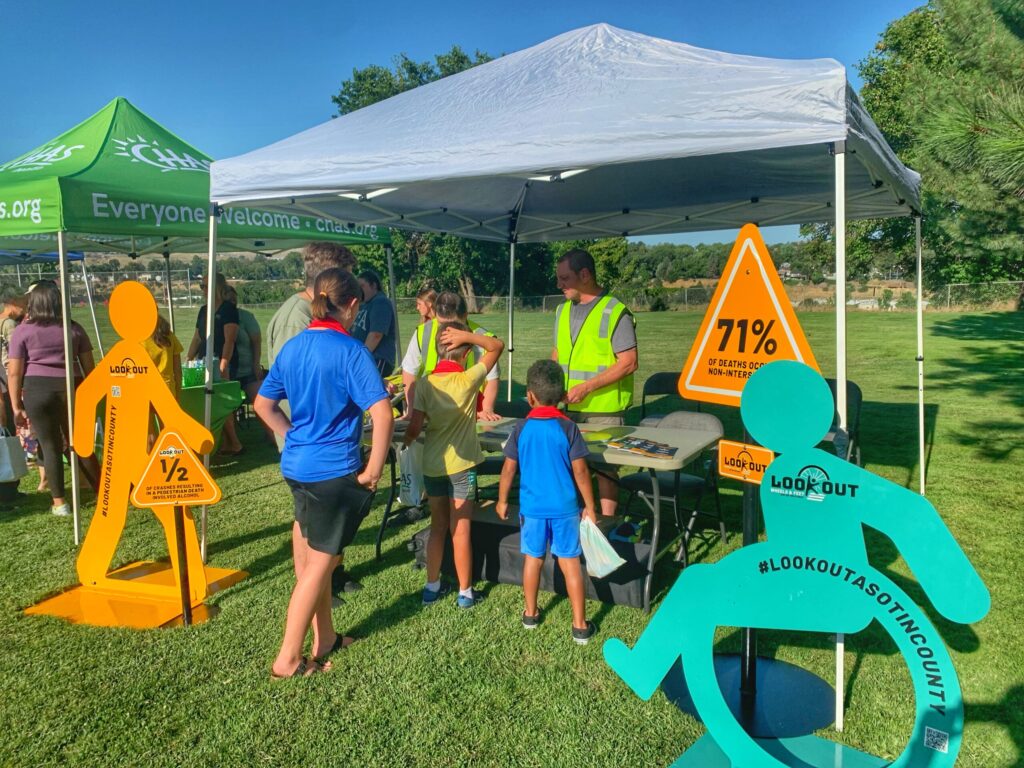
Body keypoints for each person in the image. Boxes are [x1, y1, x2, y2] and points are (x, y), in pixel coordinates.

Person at [255, 268, 393, 679]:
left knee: (312, 562)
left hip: (297, 469)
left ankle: (326, 637)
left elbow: (264, 406)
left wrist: (292, 436)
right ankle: (288, 659)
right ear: (351, 305)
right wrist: (374, 469)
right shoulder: (351, 351)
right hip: (333, 473)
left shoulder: (294, 347)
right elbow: (382, 413)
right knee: (319, 567)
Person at [265, 241, 363, 596]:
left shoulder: (312, 313)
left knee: (314, 519)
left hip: (314, 439)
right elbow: (294, 382)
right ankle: (315, 584)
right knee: (307, 521)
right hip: (308, 438)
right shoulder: (299, 317)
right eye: (345, 277)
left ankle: (324, 580)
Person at [402, 322, 504, 608]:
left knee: (437, 527)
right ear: (467, 352)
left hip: (433, 465)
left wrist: (406, 441)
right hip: (463, 468)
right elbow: (496, 345)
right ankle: (465, 592)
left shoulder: (423, 384)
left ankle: (432, 587)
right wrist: (469, 335)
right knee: (461, 530)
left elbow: (415, 427)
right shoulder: (469, 379)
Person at [496, 359, 598, 643]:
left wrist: (502, 500)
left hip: (532, 510)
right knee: (570, 563)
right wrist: (590, 506)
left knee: (533, 559)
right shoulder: (569, 428)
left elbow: (508, 469)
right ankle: (579, 625)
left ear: (529, 396)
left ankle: (530, 613)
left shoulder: (520, 428)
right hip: (565, 510)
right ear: (564, 395)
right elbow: (580, 471)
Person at [551, 249, 638, 516]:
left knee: (605, 469)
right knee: (569, 466)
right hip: (566, 409)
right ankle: (577, 518)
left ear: (585, 275)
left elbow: (628, 362)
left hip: (604, 409)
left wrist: (587, 387)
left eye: (565, 278)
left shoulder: (615, 312)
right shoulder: (561, 310)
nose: (559, 285)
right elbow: (557, 353)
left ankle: (607, 523)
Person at [7, 280, 95, 515]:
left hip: (37, 390)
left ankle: (60, 503)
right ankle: (101, 490)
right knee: (81, 443)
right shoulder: (74, 328)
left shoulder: (22, 331)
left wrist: (16, 406)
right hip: (73, 388)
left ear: (33, 303)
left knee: (50, 446)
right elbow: (90, 369)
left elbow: (15, 371)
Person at [400, 291, 501, 421]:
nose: (449, 330)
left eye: (455, 325)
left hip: (471, 413)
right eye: (442, 324)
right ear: (436, 314)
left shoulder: (484, 338)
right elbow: (409, 373)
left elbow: (492, 378)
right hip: (432, 411)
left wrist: (486, 409)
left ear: (465, 315)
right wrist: (412, 409)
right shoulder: (422, 333)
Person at [186, 272, 243, 455]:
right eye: (201, 286)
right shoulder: (203, 310)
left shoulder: (228, 310)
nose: (202, 290)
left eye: (205, 286)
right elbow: (197, 338)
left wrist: (223, 364)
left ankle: (234, 443)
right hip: (203, 361)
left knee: (221, 401)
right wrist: (189, 358)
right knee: (209, 400)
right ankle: (226, 442)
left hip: (221, 361)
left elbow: (230, 340)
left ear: (216, 287)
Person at [351, 269, 397, 376]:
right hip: (366, 358)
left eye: (362, 286)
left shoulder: (380, 302)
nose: (359, 290)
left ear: (374, 285)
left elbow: (376, 334)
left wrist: (361, 357)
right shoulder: (364, 304)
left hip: (377, 358)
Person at [223, 285, 264, 404]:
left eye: (234, 300)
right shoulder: (215, 317)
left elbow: (256, 342)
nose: (232, 303)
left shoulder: (246, 317)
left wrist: (256, 365)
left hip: (246, 373)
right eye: (229, 301)